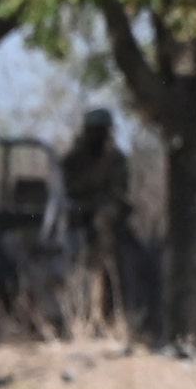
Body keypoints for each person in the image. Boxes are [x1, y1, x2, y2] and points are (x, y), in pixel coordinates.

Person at [61, 107, 131, 322]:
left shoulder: (115, 159)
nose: (98, 135)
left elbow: (119, 191)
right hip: (76, 209)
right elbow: (65, 186)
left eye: (102, 130)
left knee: (107, 237)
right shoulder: (73, 159)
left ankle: (106, 309)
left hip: (104, 212)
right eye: (94, 130)